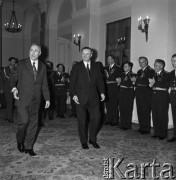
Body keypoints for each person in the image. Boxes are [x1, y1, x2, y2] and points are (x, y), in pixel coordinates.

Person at [10, 43, 50, 156]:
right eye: (31, 50)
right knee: (24, 121)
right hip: (22, 98)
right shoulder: (22, 63)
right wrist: (14, 89)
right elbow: (13, 78)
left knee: (34, 123)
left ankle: (29, 147)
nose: (33, 53)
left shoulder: (42, 66)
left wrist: (47, 98)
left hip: (36, 99)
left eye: (36, 51)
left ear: (40, 53)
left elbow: (44, 84)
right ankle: (20, 140)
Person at [70, 47, 105, 149]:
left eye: (87, 54)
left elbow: (100, 81)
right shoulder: (77, 66)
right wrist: (74, 95)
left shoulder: (96, 66)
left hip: (94, 97)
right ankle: (83, 141)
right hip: (80, 97)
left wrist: (102, 92)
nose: (85, 56)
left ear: (91, 54)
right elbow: (72, 83)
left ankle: (92, 139)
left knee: (97, 117)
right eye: (83, 54)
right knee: (82, 120)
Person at [149, 59, 170, 140]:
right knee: (155, 114)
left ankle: (163, 134)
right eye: (154, 65)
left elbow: (166, 85)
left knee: (162, 115)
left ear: (162, 66)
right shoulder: (153, 74)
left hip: (162, 97)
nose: (155, 67)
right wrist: (150, 85)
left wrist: (154, 83)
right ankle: (156, 132)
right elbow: (152, 85)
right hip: (154, 96)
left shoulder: (167, 74)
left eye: (156, 65)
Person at [135, 57, 155, 134]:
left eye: (142, 62)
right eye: (139, 62)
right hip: (139, 92)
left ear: (146, 62)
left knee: (146, 110)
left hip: (146, 93)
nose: (141, 64)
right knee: (139, 110)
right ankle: (141, 126)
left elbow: (151, 83)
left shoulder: (150, 70)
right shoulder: (139, 71)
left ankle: (146, 128)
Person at [117, 62, 136, 130]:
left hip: (128, 92)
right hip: (121, 92)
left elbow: (133, 84)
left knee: (128, 108)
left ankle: (127, 125)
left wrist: (134, 81)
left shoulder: (133, 75)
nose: (124, 67)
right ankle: (122, 123)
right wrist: (118, 82)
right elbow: (119, 83)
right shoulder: (121, 74)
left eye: (126, 66)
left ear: (130, 67)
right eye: (124, 66)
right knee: (122, 108)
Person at [104, 55, 121, 126]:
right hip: (107, 87)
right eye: (107, 59)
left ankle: (114, 120)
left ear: (113, 60)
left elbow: (119, 79)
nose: (108, 60)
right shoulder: (105, 68)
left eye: (110, 59)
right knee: (108, 105)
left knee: (114, 104)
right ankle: (108, 119)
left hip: (114, 88)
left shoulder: (118, 68)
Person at [0, 57, 18, 123]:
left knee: (10, 102)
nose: (14, 63)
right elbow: (1, 79)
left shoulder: (16, 70)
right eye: (12, 61)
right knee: (10, 102)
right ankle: (10, 118)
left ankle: (6, 116)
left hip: (15, 88)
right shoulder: (5, 69)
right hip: (7, 88)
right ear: (9, 62)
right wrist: (1, 88)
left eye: (14, 61)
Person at [168, 54, 176, 142]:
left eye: (175, 61)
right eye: (172, 61)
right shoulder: (171, 73)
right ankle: (175, 135)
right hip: (173, 97)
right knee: (174, 116)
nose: (173, 63)